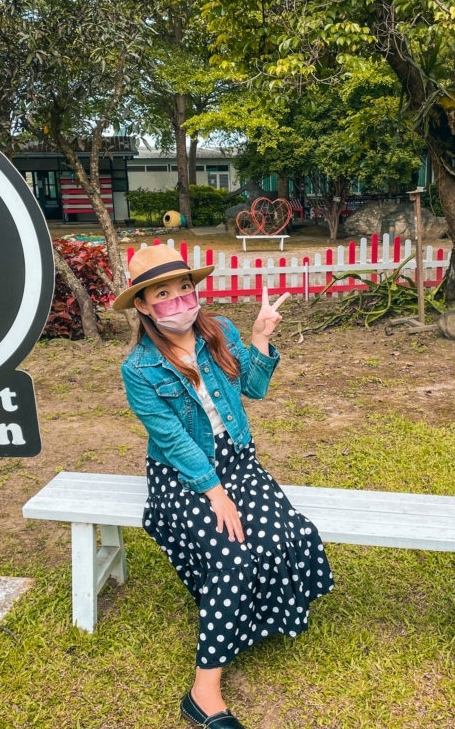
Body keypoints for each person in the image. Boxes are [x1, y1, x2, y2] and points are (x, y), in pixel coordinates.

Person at [114, 245, 334, 729]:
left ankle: (249, 615)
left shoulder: (221, 332)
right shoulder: (139, 370)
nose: (179, 301)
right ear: (144, 306)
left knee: (284, 535)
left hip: (239, 461)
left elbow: (252, 389)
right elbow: (171, 440)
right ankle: (203, 692)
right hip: (182, 474)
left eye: (185, 289)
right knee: (232, 554)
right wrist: (216, 493)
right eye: (163, 294)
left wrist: (259, 339)